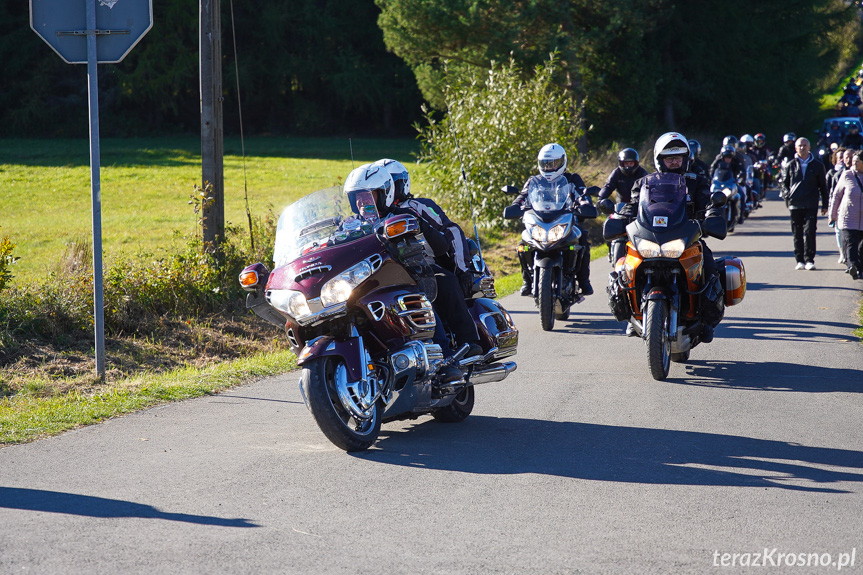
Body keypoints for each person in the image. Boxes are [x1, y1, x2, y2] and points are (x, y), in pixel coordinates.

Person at [343, 163, 483, 367]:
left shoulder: (406, 213)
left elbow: (444, 240)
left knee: (441, 282)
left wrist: (462, 269)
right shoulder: (351, 223)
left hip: (413, 270)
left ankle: (459, 346)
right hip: (370, 277)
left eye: (368, 196)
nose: (363, 203)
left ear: (384, 194)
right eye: (358, 198)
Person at [621, 132, 725, 341]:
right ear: (660, 160)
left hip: (686, 237)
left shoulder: (697, 181)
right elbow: (633, 205)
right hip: (652, 237)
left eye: (678, 157)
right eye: (670, 158)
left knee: (710, 267)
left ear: (686, 159)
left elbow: (707, 203)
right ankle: (632, 316)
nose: (675, 161)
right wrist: (621, 216)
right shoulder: (645, 183)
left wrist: (712, 213)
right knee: (625, 267)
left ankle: (705, 321)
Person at [512, 143, 594, 296]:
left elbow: (583, 194)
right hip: (540, 221)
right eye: (546, 164)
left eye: (553, 163)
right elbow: (523, 196)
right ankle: (527, 281)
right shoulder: (534, 181)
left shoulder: (572, 179)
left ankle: (584, 281)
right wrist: (516, 205)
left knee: (582, 240)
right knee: (523, 244)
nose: (549, 167)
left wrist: (585, 204)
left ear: (562, 162)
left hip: (564, 221)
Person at [779, 138, 828, 270]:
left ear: (809, 147)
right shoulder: (790, 165)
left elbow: (823, 186)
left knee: (810, 231)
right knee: (797, 233)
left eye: (805, 145)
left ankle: (809, 260)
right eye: (800, 145)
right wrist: (787, 195)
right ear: (796, 148)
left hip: (811, 203)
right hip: (795, 204)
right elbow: (784, 183)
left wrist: (825, 204)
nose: (802, 148)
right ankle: (799, 260)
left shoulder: (818, 165)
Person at [829, 150, 863, 279]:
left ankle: (859, 268)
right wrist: (832, 215)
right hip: (848, 217)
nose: (853, 164)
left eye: (857, 162)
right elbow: (836, 195)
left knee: (861, 247)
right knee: (850, 243)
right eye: (853, 162)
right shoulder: (847, 175)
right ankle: (852, 266)